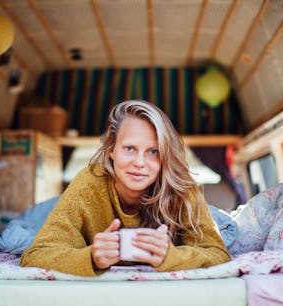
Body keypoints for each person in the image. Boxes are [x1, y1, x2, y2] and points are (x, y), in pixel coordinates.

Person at [20, 100, 230, 276]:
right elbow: (35, 254)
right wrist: (91, 257)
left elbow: (218, 253)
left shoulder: (182, 187)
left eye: (153, 152)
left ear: (165, 155)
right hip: (61, 209)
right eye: (130, 148)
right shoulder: (89, 182)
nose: (139, 162)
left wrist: (172, 257)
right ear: (111, 149)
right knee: (22, 230)